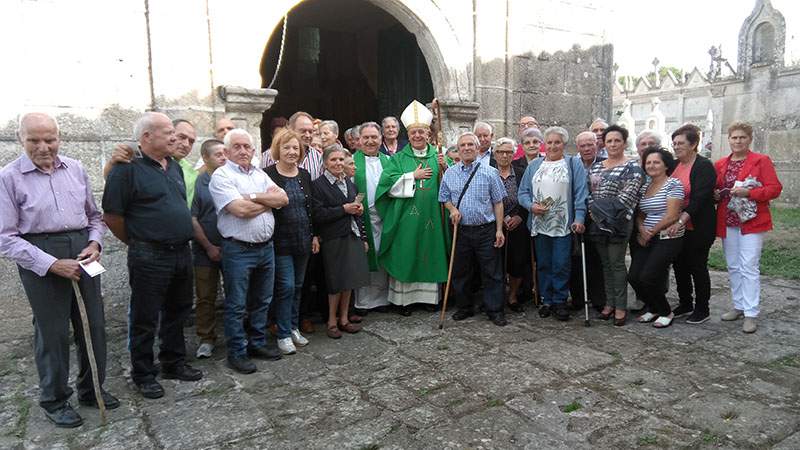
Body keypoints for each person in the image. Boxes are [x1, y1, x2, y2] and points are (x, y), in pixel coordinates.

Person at [0, 112, 118, 428]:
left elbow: (95, 217)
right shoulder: (8, 177)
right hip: (40, 258)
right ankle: (55, 399)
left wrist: (95, 244)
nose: (43, 146)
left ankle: (93, 388)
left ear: (59, 138)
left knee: (94, 326)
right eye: (34, 140)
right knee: (52, 334)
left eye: (50, 139)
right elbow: (5, 238)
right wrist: (51, 263)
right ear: (20, 140)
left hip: (83, 254)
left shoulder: (76, 168)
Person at [103, 112, 203, 399]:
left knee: (178, 311)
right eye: (168, 132)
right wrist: (138, 241)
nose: (174, 137)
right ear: (146, 136)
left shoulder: (172, 167)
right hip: (149, 255)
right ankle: (144, 374)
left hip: (181, 253)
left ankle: (173, 363)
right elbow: (112, 216)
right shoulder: (126, 169)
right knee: (145, 317)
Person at [209, 128, 288, 373]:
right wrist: (266, 202)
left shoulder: (259, 174)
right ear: (227, 151)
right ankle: (237, 352)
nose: (243, 151)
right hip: (238, 250)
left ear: (254, 150)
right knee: (236, 304)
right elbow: (239, 211)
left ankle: (257, 342)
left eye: (247, 147)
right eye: (237, 146)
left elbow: (283, 199)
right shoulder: (221, 176)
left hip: (266, 248)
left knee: (262, 300)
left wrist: (252, 196)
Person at [375, 100, 450, 313]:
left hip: (433, 218)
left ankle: (428, 299)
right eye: (413, 132)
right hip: (406, 218)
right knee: (406, 253)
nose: (417, 136)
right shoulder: (398, 159)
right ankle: (403, 302)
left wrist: (446, 168)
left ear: (428, 134)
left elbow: (451, 184)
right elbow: (385, 186)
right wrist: (412, 176)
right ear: (407, 135)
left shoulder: (439, 156)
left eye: (421, 132)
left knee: (430, 253)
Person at [714, 121, 782, 333]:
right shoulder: (721, 163)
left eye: (742, 137)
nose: (738, 141)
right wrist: (716, 194)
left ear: (749, 139)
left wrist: (750, 193)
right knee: (733, 265)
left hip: (751, 220)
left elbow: (775, 188)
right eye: (734, 137)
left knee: (749, 266)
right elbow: (717, 187)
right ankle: (739, 305)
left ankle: (751, 313)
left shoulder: (761, 161)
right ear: (729, 139)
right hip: (728, 220)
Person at [518, 127, 588, 321]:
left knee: (561, 264)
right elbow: (522, 193)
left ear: (564, 144)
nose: (553, 146)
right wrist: (531, 206)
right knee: (543, 264)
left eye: (557, 142)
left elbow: (581, 194)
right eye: (549, 142)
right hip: (540, 224)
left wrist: (579, 218)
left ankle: (560, 301)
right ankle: (546, 299)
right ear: (544, 144)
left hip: (563, 224)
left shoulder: (573, 164)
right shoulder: (534, 165)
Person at [440, 132, 508, 326]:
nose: (467, 148)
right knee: (461, 271)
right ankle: (464, 307)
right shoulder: (450, 173)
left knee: (492, 272)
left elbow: (498, 202)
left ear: (478, 149)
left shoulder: (490, 172)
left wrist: (498, 230)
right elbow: (444, 197)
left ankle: (494, 309)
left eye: (471, 145)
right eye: (463, 145)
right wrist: (452, 209)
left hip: (486, 230)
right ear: (458, 150)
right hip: (461, 231)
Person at [264, 129, 319, 354]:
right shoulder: (268, 174)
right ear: (278, 149)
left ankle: (294, 327)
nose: (291, 151)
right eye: (286, 147)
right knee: (285, 287)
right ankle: (283, 333)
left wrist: (315, 235)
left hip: (303, 238)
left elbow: (311, 208)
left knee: (298, 286)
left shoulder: (305, 175)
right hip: (281, 241)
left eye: (295, 148)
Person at [586, 124, 644, 326]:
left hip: (618, 222)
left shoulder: (633, 167)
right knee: (605, 264)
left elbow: (627, 197)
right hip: (597, 221)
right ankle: (609, 303)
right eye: (609, 140)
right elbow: (591, 194)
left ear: (624, 143)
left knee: (617, 263)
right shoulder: (596, 166)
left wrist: (604, 213)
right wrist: (595, 212)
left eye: (617, 140)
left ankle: (620, 306)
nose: (612, 144)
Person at [311, 144, 370, 338]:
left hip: (351, 235)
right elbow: (318, 214)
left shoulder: (350, 184)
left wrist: (363, 235)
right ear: (325, 163)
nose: (338, 163)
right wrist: (343, 209)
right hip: (333, 237)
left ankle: (344, 319)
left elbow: (357, 212)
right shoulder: (318, 185)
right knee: (335, 281)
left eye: (340, 159)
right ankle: (331, 322)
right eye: (333, 160)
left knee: (349, 280)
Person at [666, 125, 717, 324]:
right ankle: (685, 302)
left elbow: (699, 199)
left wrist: (681, 221)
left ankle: (703, 308)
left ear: (694, 144)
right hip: (677, 225)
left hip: (698, 225)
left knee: (697, 265)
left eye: (681, 143)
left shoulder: (703, 166)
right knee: (679, 265)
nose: (676, 147)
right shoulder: (673, 165)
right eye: (674, 143)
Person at [629, 147, 684, 329]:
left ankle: (666, 311)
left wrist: (650, 232)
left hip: (666, 237)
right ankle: (652, 308)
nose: (651, 165)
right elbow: (640, 213)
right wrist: (641, 229)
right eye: (648, 162)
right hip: (646, 236)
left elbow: (672, 216)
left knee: (648, 276)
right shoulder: (645, 186)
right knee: (634, 276)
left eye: (656, 162)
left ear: (666, 164)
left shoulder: (674, 184)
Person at [102, 119, 199, 209]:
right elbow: (112, 179)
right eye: (181, 137)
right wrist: (113, 162)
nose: (186, 144)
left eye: (191, 142)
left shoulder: (188, 169)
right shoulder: (133, 157)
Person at [192, 139, 227, 359]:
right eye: (218, 155)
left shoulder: (232, 179)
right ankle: (206, 338)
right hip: (204, 250)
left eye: (225, 153)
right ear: (205, 158)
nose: (224, 158)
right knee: (205, 296)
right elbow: (193, 218)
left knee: (236, 293)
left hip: (233, 247)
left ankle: (237, 335)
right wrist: (208, 246)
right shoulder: (198, 183)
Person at [353, 122, 392, 312]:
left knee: (382, 254)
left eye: (374, 137)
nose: (370, 141)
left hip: (385, 217)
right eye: (366, 137)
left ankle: (382, 299)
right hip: (362, 218)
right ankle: (364, 302)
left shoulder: (389, 161)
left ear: (381, 139)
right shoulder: (351, 162)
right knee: (365, 256)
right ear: (359, 140)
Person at [569, 131, 607, 311]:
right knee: (575, 258)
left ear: (597, 145)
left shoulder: (603, 164)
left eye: (590, 145)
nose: (586, 149)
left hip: (596, 218)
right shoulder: (571, 163)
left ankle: (598, 299)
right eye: (582, 146)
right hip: (575, 216)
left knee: (595, 259)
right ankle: (578, 298)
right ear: (577, 147)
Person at [493, 138, 530, 312]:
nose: (505, 155)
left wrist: (520, 216)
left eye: (508, 152)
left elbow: (530, 196)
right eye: (501, 152)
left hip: (518, 224)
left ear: (514, 154)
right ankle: (496, 296)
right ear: (495, 154)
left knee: (518, 261)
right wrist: (503, 217)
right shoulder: (488, 172)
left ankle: (513, 295)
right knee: (495, 262)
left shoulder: (523, 172)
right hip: (494, 224)